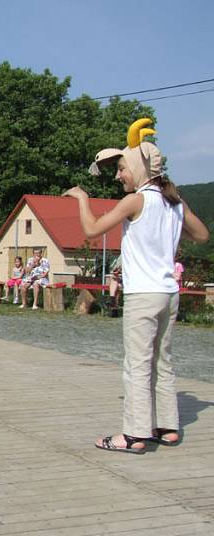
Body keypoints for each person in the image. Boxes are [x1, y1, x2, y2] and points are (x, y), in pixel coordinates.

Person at [64, 118, 209, 453]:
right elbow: (202, 235)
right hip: (169, 294)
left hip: (143, 294)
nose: (118, 176)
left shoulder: (136, 200)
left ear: (139, 168)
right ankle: (168, 427)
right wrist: (170, 227)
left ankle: (134, 434)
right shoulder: (173, 200)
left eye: (122, 169)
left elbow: (91, 230)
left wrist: (82, 198)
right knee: (163, 361)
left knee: (137, 364)